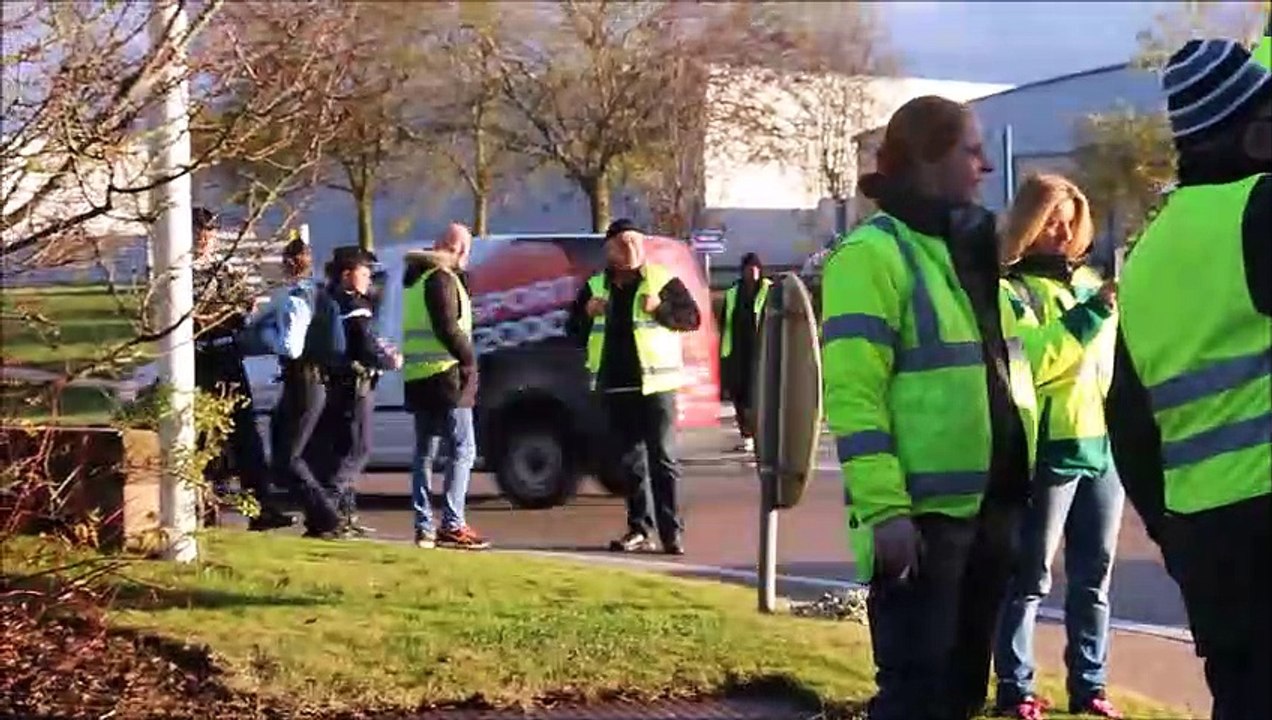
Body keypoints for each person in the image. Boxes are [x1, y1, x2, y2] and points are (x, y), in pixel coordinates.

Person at [820, 95, 1113, 720]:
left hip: (993, 507)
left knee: (958, 697)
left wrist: (1090, 320)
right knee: (915, 698)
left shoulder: (971, 254)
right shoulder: (873, 255)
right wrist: (885, 511)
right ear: (928, 159)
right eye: (970, 151)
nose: (984, 166)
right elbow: (853, 396)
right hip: (925, 522)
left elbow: (1019, 364)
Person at [1107, 37, 1270, 720]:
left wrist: (1174, 537)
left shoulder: (1146, 254)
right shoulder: (1259, 211)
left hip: (1207, 542)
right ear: (1253, 132)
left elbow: (1129, 422)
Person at [992, 175, 1123, 719]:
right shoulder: (1009, 291)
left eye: (1070, 219)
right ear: (1026, 222)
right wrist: (1089, 317)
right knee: (1030, 577)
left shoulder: (1092, 283)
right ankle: (1016, 689)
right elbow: (1035, 366)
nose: (1062, 229)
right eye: (1050, 218)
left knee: (1095, 577)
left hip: (1102, 451)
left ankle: (1089, 687)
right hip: (1047, 449)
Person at [565, 219, 701, 555]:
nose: (632, 249)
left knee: (663, 460)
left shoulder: (661, 280)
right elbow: (572, 331)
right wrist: (585, 313)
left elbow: (692, 318)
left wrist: (661, 310)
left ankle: (671, 532)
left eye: (637, 243)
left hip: (657, 385)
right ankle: (640, 528)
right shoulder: (596, 286)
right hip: (615, 385)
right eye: (624, 243)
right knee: (630, 464)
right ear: (609, 248)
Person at [190, 207, 293, 532]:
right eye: (199, 231)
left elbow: (246, 308)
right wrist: (219, 313)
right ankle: (199, 508)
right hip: (198, 360)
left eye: (210, 231)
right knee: (203, 438)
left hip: (228, 357)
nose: (205, 238)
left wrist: (229, 313)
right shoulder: (179, 273)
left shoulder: (224, 270)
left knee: (246, 436)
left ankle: (261, 508)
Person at [402, 224, 489, 550]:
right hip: (446, 376)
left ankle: (423, 526)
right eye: (463, 248)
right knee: (463, 450)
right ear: (458, 250)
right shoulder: (441, 278)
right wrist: (469, 360)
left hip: (419, 377)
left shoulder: (414, 278)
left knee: (425, 453)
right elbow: (447, 327)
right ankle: (452, 523)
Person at [249, 239, 344, 538]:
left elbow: (290, 347)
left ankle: (327, 517)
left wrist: (264, 334)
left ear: (285, 264)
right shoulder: (315, 292)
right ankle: (319, 521)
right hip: (309, 382)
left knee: (287, 458)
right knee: (285, 456)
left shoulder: (295, 298)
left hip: (303, 382)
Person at [324, 246, 401, 538]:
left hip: (343, 385)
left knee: (346, 450)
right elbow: (365, 346)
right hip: (355, 387)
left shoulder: (334, 299)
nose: (370, 278)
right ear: (347, 275)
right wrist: (390, 359)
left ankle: (345, 515)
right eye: (364, 272)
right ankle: (328, 511)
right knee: (357, 450)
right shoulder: (352, 304)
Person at [717, 252, 771, 453]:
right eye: (749, 268)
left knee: (758, 394)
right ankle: (747, 435)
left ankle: (760, 433)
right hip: (737, 350)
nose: (752, 272)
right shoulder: (733, 292)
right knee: (739, 395)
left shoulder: (769, 289)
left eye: (756, 268)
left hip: (762, 349)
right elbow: (724, 322)